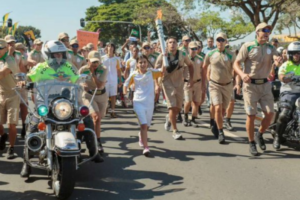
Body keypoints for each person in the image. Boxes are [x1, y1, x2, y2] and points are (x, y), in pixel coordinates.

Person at [20, 40, 103, 177]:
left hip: (66, 104)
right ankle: (26, 163)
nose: (59, 57)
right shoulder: (41, 67)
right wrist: (24, 81)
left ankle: (94, 152)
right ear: (48, 55)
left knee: (86, 120)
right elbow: (29, 77)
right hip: (46, 104)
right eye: (55, 54)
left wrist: (82, 82)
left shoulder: (68, 67)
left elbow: (77, 78)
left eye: (61, 54)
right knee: (32, 127)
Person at [234, 22, 280, 156]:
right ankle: (251, 142)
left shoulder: (271, 47)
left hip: (265, 85)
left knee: (270, 113)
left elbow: (277, 57)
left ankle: (259, 134)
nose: (267, 33)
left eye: (269, 31)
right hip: (250, 86)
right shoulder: (247, 46)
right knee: (251, 116)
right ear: (257, 32)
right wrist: (242, 75)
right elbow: (236, 63)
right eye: (264, 30)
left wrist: (278, 60)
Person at [155, 36, 194, 140]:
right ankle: (175, 130)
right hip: (167, 82)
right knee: (172, 107)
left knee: (178, 108)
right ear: (167, 45)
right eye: (170, 42)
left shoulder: (182, 54)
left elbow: (190, 65)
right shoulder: (162, 55)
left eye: (174, 42)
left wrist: (190, 79)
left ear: (177, 44)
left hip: (179, 83)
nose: (172, 44)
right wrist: (156, 84)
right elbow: (156, 70)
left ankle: (169, 118)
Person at [124, 55, 163, 156]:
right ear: (137, 64)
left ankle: (141, 136)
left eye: (144, 62)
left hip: (149, 103)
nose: (143, 64)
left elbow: (163, 70)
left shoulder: (151, 72)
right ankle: (146, 147)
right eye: (140, 62)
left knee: (147, 126)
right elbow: (126, 84)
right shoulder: (134, 74)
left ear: (147, 63)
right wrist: (125, 93)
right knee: (144, 125)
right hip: (138, 102)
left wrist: (164, 56)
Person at [204, 33, 236, 144]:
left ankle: (216, 123)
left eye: (222, 40)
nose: (220, 42)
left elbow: (235, 69)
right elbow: (204, 67)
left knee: (222, 110)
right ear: (215, 41)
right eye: (218, 40)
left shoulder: (231, 54)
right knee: (217, 107)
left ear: (226, 42)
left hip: (227, 85)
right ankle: (221, 131)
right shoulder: (210, 54)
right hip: (214, 84)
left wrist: (238, 83)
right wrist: (206, 82)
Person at [79, 51, 108, 154]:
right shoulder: (83, 70)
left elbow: (99, 85)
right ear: (88, 61)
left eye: (97, 62)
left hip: (102, 96)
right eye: (93, 62)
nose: (95, 64)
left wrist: (93, 74)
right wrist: (82, 85)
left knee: (100, 118)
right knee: (96, 117)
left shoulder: (103, 69)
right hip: (89, 95)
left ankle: (89, 134)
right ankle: (97, 142)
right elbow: (77, 81)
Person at [273, 41, 300, 149]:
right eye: (294, 53)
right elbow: (281, 76)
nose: (297, 55)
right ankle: (277, 137)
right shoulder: (286, 65)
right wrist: (288, 78)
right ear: (290, 54)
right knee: (285, 113)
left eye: (299, 52)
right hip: (289, 92)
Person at [0, 39, 20, 159]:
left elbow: (2, 74)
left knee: (11, 124)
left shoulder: (10, 61)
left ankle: (11, 148)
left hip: (12, 94)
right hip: (0, 93)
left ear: (5, 49)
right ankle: (3, 136)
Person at [5, 35, 27, 139]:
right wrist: (8, 53)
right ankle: (5, 133)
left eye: (12, 43)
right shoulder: (2, 54)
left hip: (18, 82)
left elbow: (22, 67)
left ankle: (24, 126)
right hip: (6, 83)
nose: (11, 45)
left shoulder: (19, 54)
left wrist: (24, 80)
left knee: (24, 104)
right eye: (9, 43)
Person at [183, 41, 205, 126]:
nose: (194, 50)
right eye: (192, 49)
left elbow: (203, 72)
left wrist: (203, 84)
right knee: (188, 101)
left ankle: (193, 119)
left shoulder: (200, 59)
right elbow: (181, 72)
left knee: (196, 102)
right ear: (188, 49)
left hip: (197, 83)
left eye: (196, 48)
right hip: (187, 83)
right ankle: (185, 117)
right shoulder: (185, 59)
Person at [102, 43, 122, 118]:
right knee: (105, 96)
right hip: (105, 79)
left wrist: (120, 80)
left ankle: (112, 111)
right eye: (108, 46)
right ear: (106, 48)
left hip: (113, 79)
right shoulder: (103, 58)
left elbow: (119, 70)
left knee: (113, 95)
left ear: (113, 48)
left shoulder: (116, 59)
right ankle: (105, 109)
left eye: (111, 47)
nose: (110, 48)